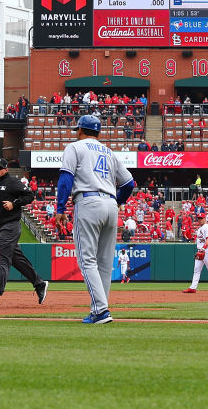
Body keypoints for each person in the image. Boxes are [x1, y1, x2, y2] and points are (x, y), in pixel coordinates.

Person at [56, 114, 136, 324]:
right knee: (104, 264)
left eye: (77, 130)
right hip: (110, 205)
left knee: (87, 261)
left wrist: (60, 208)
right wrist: (118, 201)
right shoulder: (109, 152)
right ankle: (98, 310)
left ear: (81, 131)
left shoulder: (75, 148)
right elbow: (129, 183)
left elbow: (66, 178)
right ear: (98, 132)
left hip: (88, 202)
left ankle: (101, 310)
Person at [0, 158, 48, 306]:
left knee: (3, 260)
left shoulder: (13, 182)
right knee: (17, 260)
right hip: (0, 227)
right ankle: (39, 284)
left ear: (6, 170)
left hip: (10, 226)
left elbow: (29, 196)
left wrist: (14, 203)